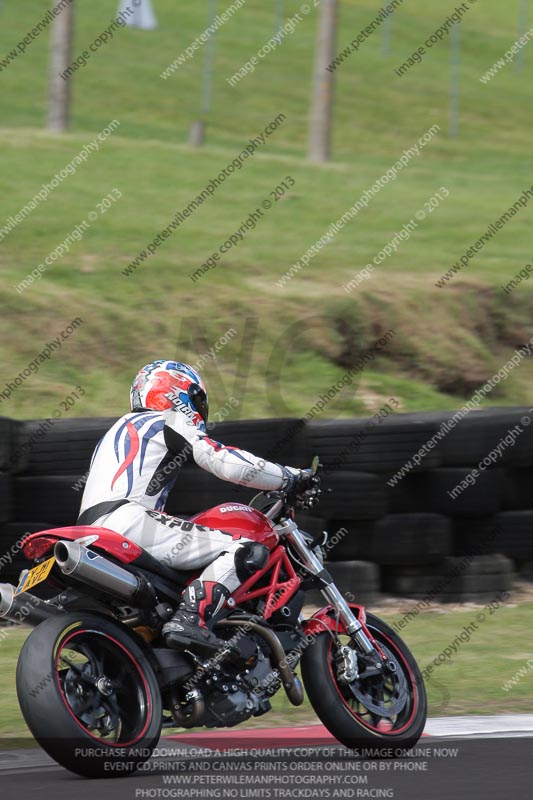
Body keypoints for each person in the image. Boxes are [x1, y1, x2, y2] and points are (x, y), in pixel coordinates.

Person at [77, 360, 311, 654]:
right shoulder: (167, 420)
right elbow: (221, 459)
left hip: (91, 530)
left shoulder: (117, 432)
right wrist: (288, 477)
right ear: (176, 393)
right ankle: (190, 620)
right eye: (196, 399)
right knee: (243, 550)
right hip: (125, 521)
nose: (199, 408)